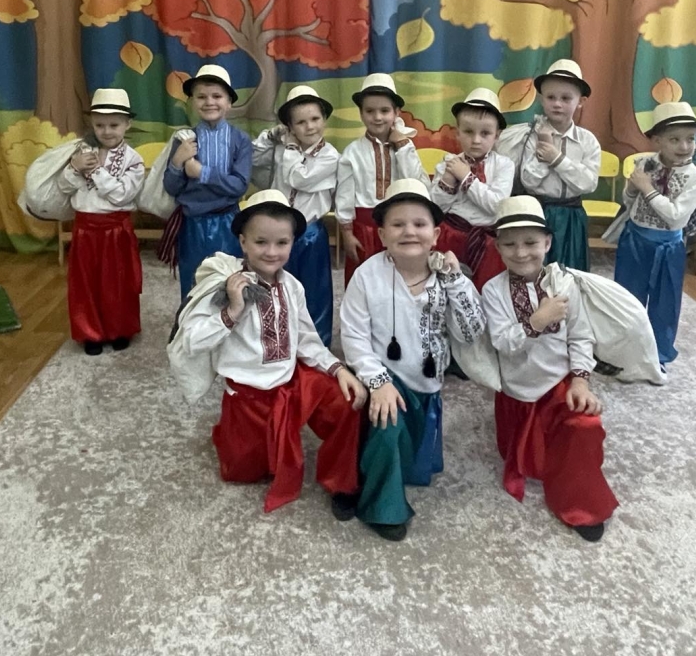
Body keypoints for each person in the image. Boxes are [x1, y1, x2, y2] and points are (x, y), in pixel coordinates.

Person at [170, 190, 367, 515]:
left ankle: (342, 482)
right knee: (242, 472)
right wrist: (231, 312)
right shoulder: (224, 287)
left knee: (347, 400)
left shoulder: (293, 286)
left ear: (292, 243)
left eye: (282, 243)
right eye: (261, 242)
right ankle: (235, 435)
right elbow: (192, 341)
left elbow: (306, 339)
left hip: (291, 385)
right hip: (248, 399)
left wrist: (339, 369)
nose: (272, 252)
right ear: (243, 242)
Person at [340, 179, 486, 541]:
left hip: (427, 381)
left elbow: (471, 332)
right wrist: (378, 382)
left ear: (435, 235)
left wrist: (455, 280)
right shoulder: (367, 275)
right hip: (386, 376)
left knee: (409, 452)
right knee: (387, 425)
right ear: (382, 234)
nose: (409, 232)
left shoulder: (446, 277)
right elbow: (354, 336)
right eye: (398, 224)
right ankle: (382, 507)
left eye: (419, 224)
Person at [481, 195, 619, 542]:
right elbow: (502, 343)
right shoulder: (493, 291)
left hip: (560, 384)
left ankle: (581, 504)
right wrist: (536, 321)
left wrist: (581, 381)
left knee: (585, 425)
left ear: (547, 242)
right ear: (498, 247)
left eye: (530, 242)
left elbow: (581, 336)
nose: (521, 252)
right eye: (510, 244)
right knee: (533, 456)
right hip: (518, 391)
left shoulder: (565, 284)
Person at [608, 102, 696, 367]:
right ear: (657, 140)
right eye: (674, 139)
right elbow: (629, 200)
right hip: (634, 240)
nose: (684, 146)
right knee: (627, 296)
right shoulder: (643, 163)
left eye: (690, 138)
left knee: (664, 302)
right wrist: (632, 189)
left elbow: (676, 217)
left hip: (667, 247)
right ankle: (623, 349)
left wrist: (647, 188)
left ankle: (658, 354)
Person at [57, 89, 145, 355]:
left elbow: (121, 195)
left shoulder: (133, 159)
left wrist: (96, 170)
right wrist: (74, 168)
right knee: (86, 284)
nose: (106, 131)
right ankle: (90, 332)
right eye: (99, 125)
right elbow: (64, 187)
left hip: (115, 230)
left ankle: (120, 329)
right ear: (92, 124)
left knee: (117, 283)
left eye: (114, 125)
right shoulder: (80, 153)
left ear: (127, 124)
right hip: (85, 229)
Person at [251, 85, 340, 345]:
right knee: (275, 284)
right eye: (300, 122)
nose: (310, 127)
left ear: (324, 119)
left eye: (315, 119)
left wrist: (289, 148)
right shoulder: (282, 148)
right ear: (289, 126)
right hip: (277, 231)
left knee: (314, 289)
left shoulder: (330, 156)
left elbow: (299, 178)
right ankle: (276, 340)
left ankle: (317, 344)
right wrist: (270, 136)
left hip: (310, 232)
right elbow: (254, 159)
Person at [497, 59, 600, 271]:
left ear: (581, 101)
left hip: (571, 216)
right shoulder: (531, 136)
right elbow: (529, 181)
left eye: (566, 98)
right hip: (538, 211)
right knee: (534, 269)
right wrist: (544, 150)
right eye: (551, 97)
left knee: (569, 271)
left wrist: (556, 158)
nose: (557, 104)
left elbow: (588, 183)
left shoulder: (587, 141)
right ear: (541, 99)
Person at [161, 64, 252, 299]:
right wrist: (177, 162)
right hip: (192, 225)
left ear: (229, 102)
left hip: (227, 223)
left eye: (217, 96)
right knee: (193, 280)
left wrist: (202, 172)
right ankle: (192, 320)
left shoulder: (240, 140)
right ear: (193, 102)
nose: (209, 102)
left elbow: (239, 185)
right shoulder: (184, 140)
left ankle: (230, 320)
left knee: (228, 280)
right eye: (201, 97)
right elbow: (171, 187)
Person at [335, 73, 429, 284]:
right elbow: (345, 195)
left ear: (396, 112)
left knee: (399, 279)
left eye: (385, 111)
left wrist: (401, 145)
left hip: (399, 224)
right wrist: (347, 234)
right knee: (364, 280)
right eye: (370, 111)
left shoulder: (405, 147)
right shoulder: (352, 152)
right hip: (363, 227)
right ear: (361, 114)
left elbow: (416, 182)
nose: (377, 117)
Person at [430, 87, 514, 290]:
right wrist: (448, 181)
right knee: (446, 288)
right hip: (451, 237)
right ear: (457, 133)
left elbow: (497, 206)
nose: (476, 140)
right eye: (468, 132)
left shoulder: (504, 165)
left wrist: (466, 178)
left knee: (487, 289)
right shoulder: (449, 163)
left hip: (488, 243)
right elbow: (435, 209)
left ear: (497, 135)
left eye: (485, 133)